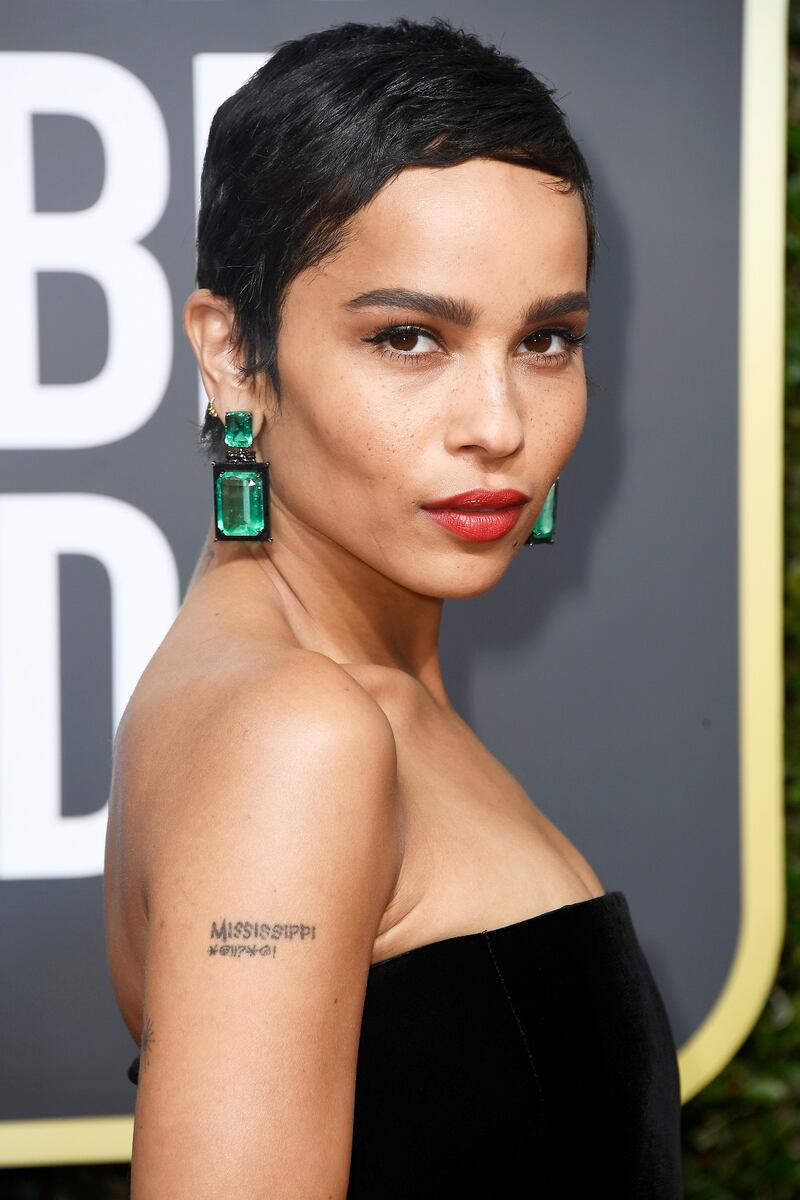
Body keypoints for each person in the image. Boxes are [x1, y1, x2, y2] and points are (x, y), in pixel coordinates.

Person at [104, 15, 684, 1198]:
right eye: (409, 337)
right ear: (229, 355)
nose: (500, 424)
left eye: (546, 340)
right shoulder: (293, 736)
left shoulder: (331, 687)